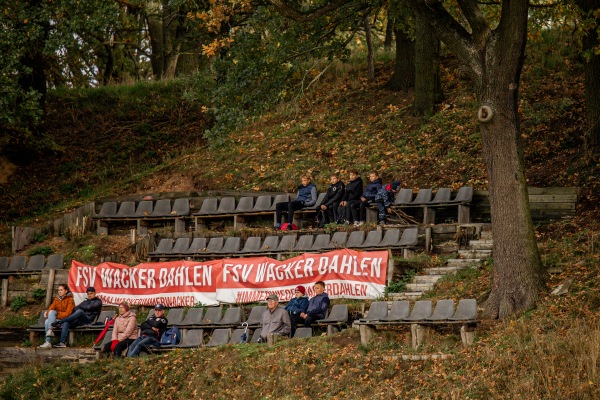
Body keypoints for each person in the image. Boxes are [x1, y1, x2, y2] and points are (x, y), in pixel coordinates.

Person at [38, 284, 75, 349]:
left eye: (61, 290)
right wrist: (52, 315)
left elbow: (68, 314)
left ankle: (49, 338)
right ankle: (48, 341)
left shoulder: (70, 300)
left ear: (66, 291)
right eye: (58, 290)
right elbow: (49, 311)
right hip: (57, 320)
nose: (59, 292)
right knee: (48, 319)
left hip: (65, 319)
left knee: (50, 318)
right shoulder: (57, 299)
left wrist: (55, 315)